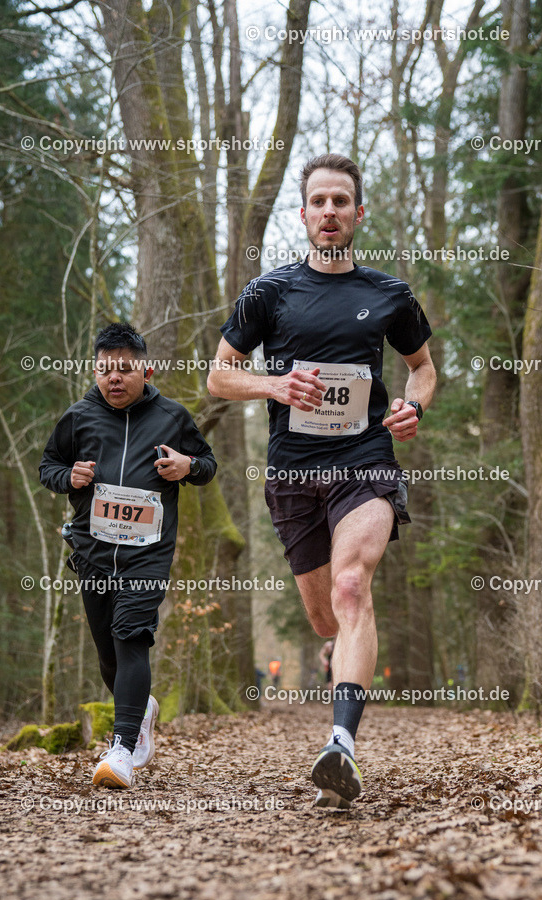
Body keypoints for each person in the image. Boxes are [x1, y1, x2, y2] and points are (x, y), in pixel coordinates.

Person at [207, 153, 436, 809]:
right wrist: (273, 383)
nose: (330, 211)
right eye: (319, 202)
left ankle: (341, 743)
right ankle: (345, 665)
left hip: (363, 459)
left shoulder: (389, 294)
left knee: (350, 584)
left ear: (358, 213)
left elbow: (422, 369)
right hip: (291, 471)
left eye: (342, 201)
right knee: (322, 617)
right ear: (303, 214)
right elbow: (218, 376)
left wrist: (411, 406)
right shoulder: (267, 293)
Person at [40, 322, 217, 788]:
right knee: (109, 655)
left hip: (147, 553)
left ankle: (120, 750)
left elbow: (208, 465)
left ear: (146, 370)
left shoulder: (173, 417)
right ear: (95, 371)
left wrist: (187, 466)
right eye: (105, 370)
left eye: (124, 369)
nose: (114, 378)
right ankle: (142, 711)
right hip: (92, 552)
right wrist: (70, 477)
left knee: (131, 636)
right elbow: (48, 466)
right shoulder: (78, 417)